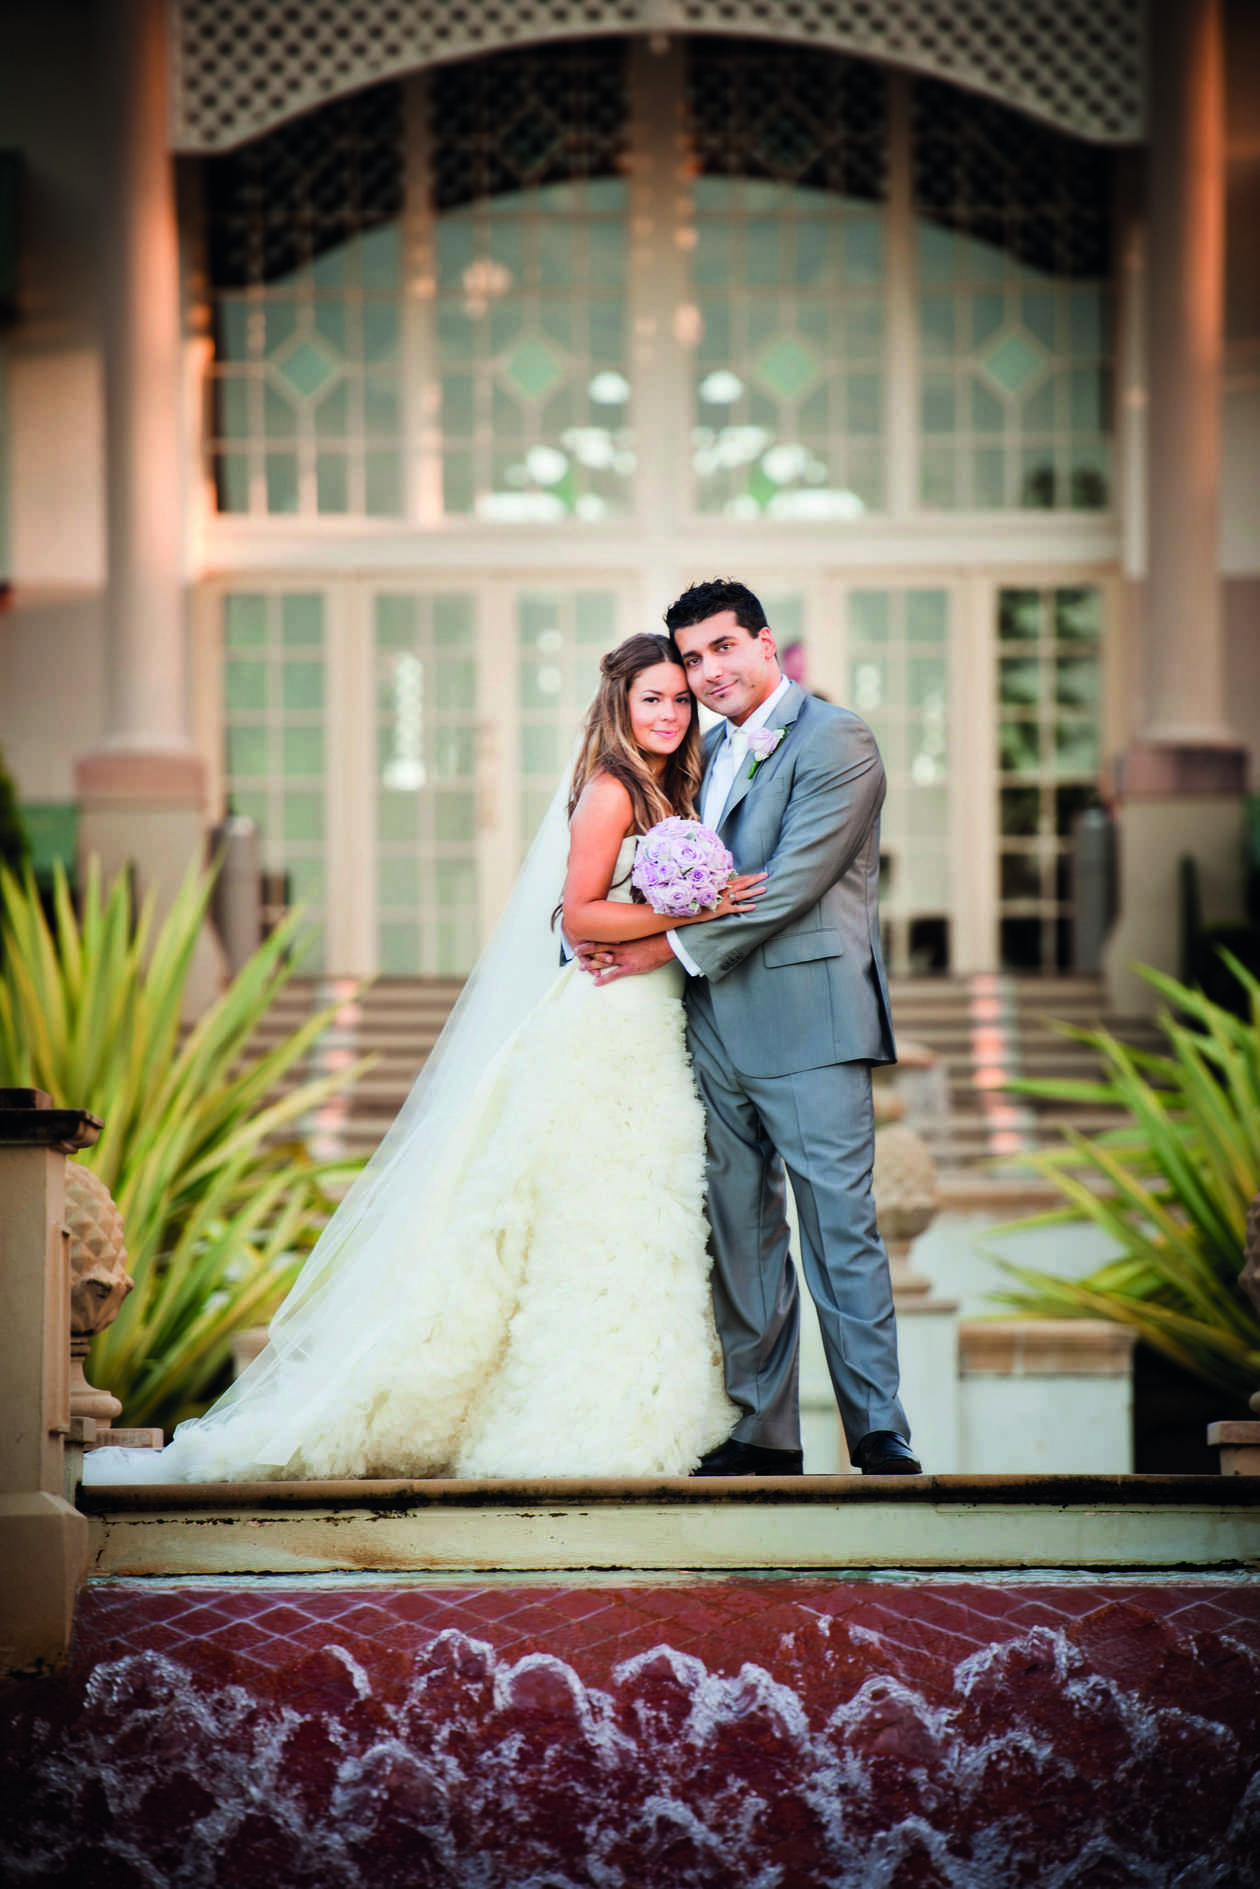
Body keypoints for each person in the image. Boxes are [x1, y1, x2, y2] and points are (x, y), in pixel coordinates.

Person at [84, 635, 765, 1486]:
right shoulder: (609, 792)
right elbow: (581, 916)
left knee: (648, 1216)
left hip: (655, 1028)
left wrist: (682, 920)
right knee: (597, 1215)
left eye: (678, 700)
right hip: (603, 1033)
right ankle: (576, 1412)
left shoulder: (674, 792)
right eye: (651, 699)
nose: (668, 714)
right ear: (620, 706)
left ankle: (642, 1397)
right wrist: (689, 915)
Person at [578, 580, 921, 1477]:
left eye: (723, 648)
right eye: (693, 659)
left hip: (809, 1020)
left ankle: (878, 1431)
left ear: (766, 643)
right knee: (741, 1232)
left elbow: (794, 878)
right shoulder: (697, 753)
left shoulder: (836, 739)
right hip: (711, 1029)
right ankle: (765, 1431)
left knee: (838, 1229)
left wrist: (664, 950)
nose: (709, 672)